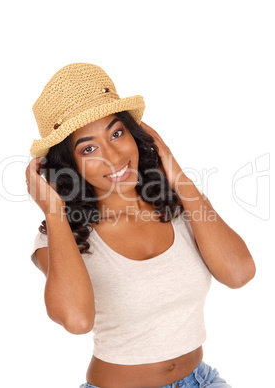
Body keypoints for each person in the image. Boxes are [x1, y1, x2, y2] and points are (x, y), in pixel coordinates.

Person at [26, 63, 256, 388]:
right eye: (89, 148)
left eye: (117, 133)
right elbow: (76, 320)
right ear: (69, 164)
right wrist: (53, 211)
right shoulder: (60, 235)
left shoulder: (178, 203)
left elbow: (239, 273)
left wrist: (176, 173)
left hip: (201, 380)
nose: (113, 155)